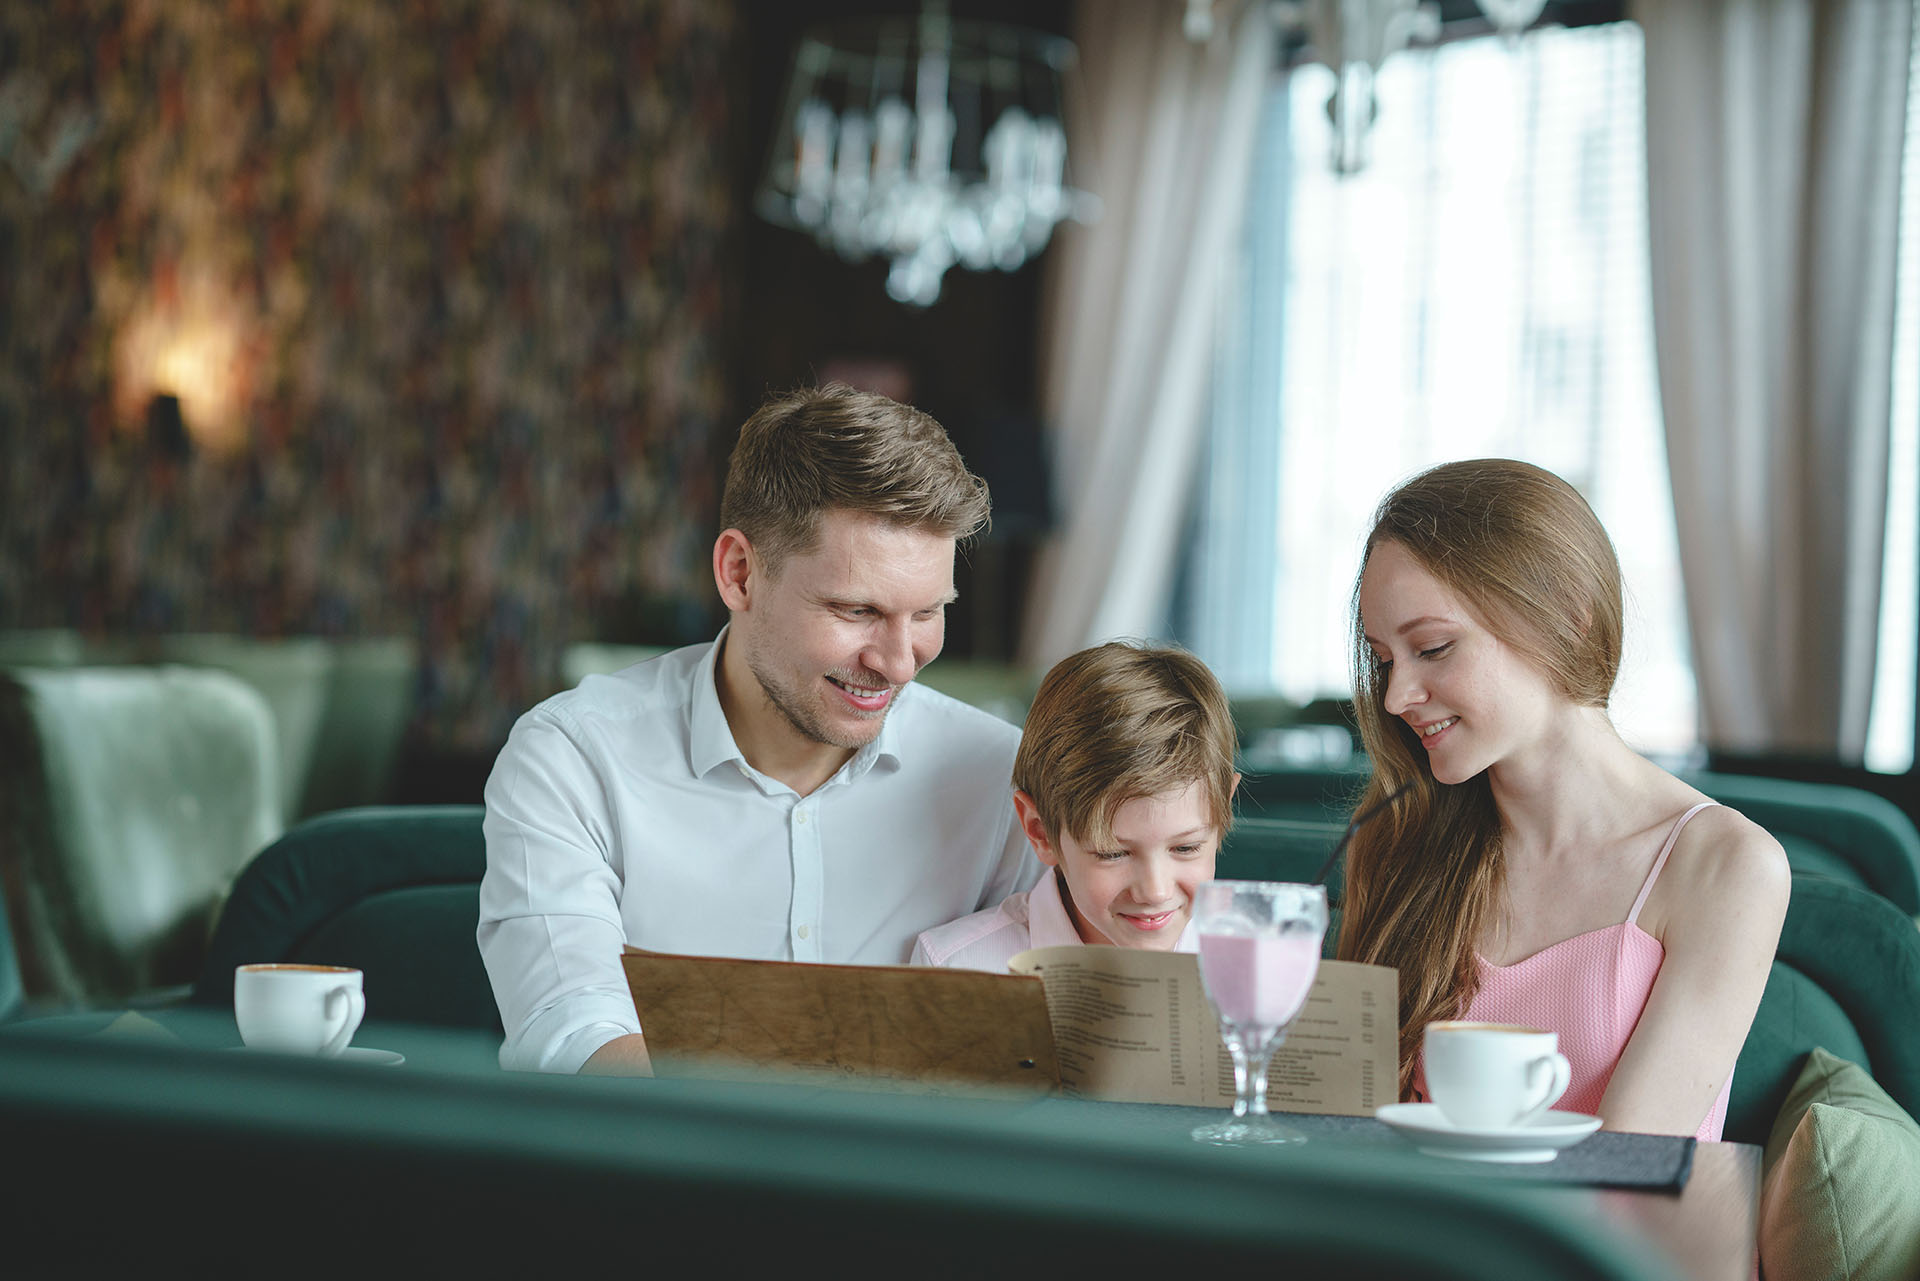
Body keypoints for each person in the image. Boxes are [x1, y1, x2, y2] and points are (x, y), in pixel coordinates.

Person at [479, 384, 1040, 1074]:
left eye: (927, 612)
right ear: (740, 573)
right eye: (857, 609)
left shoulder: (1001, 780)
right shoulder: (573, 759)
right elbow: (569, 1040)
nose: (899, 662)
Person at [1340, 458, 1788, 1140]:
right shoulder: (1398, 840)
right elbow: (1349, 1126)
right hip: (1415, 1239)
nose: (1397, 696)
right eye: (1384, 659)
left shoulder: (1726, 865)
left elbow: (1625, 1168)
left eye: (1432, 647)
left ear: (1566, 616)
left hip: (1600, 1245)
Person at [912, 641, 1239, 972]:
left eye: (1186, 847)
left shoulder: (1263, 961)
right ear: (1041, 832)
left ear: (1223, 809)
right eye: (1113, 854)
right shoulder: (955, 967)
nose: (1155, 891)